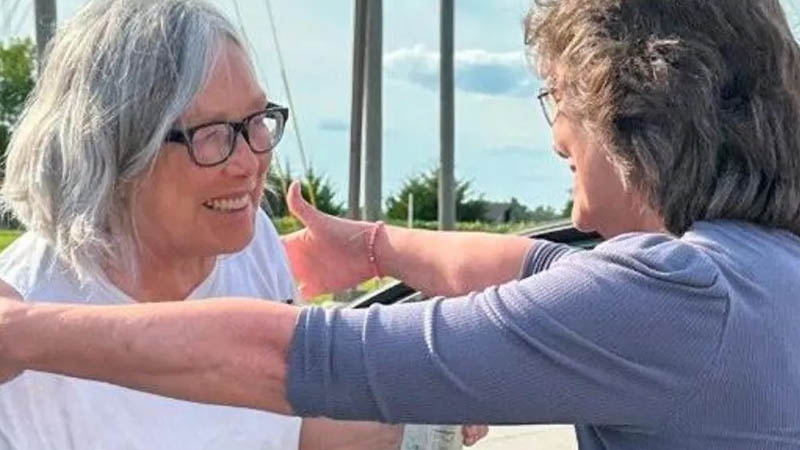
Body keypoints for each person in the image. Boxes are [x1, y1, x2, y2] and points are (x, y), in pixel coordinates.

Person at [2, 0, 800, 448]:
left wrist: (27, 335)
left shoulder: (675, 298)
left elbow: (310, 361)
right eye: (215, 132)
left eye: (561, 99)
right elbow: (532, 268)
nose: (555, 132)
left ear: (633, 118)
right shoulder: (753, 270)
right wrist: (377, 249)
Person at [0, 0, 487, 449]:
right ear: (115, 149)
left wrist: (429, 404)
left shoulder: (250, 250)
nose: (250, 161)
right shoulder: (23, 326)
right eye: (211, 134)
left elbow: (274, 426)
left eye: (258, 119)